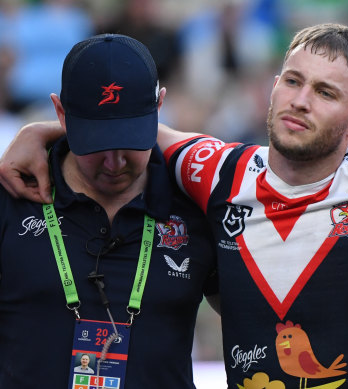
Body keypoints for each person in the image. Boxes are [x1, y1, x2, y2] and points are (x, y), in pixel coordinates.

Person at [0, 24, 348, 389]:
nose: (300, 101)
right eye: (293, 81)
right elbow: (131, 125)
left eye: (325, 92)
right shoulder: (215, 172)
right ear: (272, 86)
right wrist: (42, 131)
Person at [0, 33, 216, 389]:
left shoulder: (197, 203)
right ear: (61, 114)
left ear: (159, 108)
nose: (114, 162)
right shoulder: (13, 193)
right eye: (97, 143)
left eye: (130, 140)